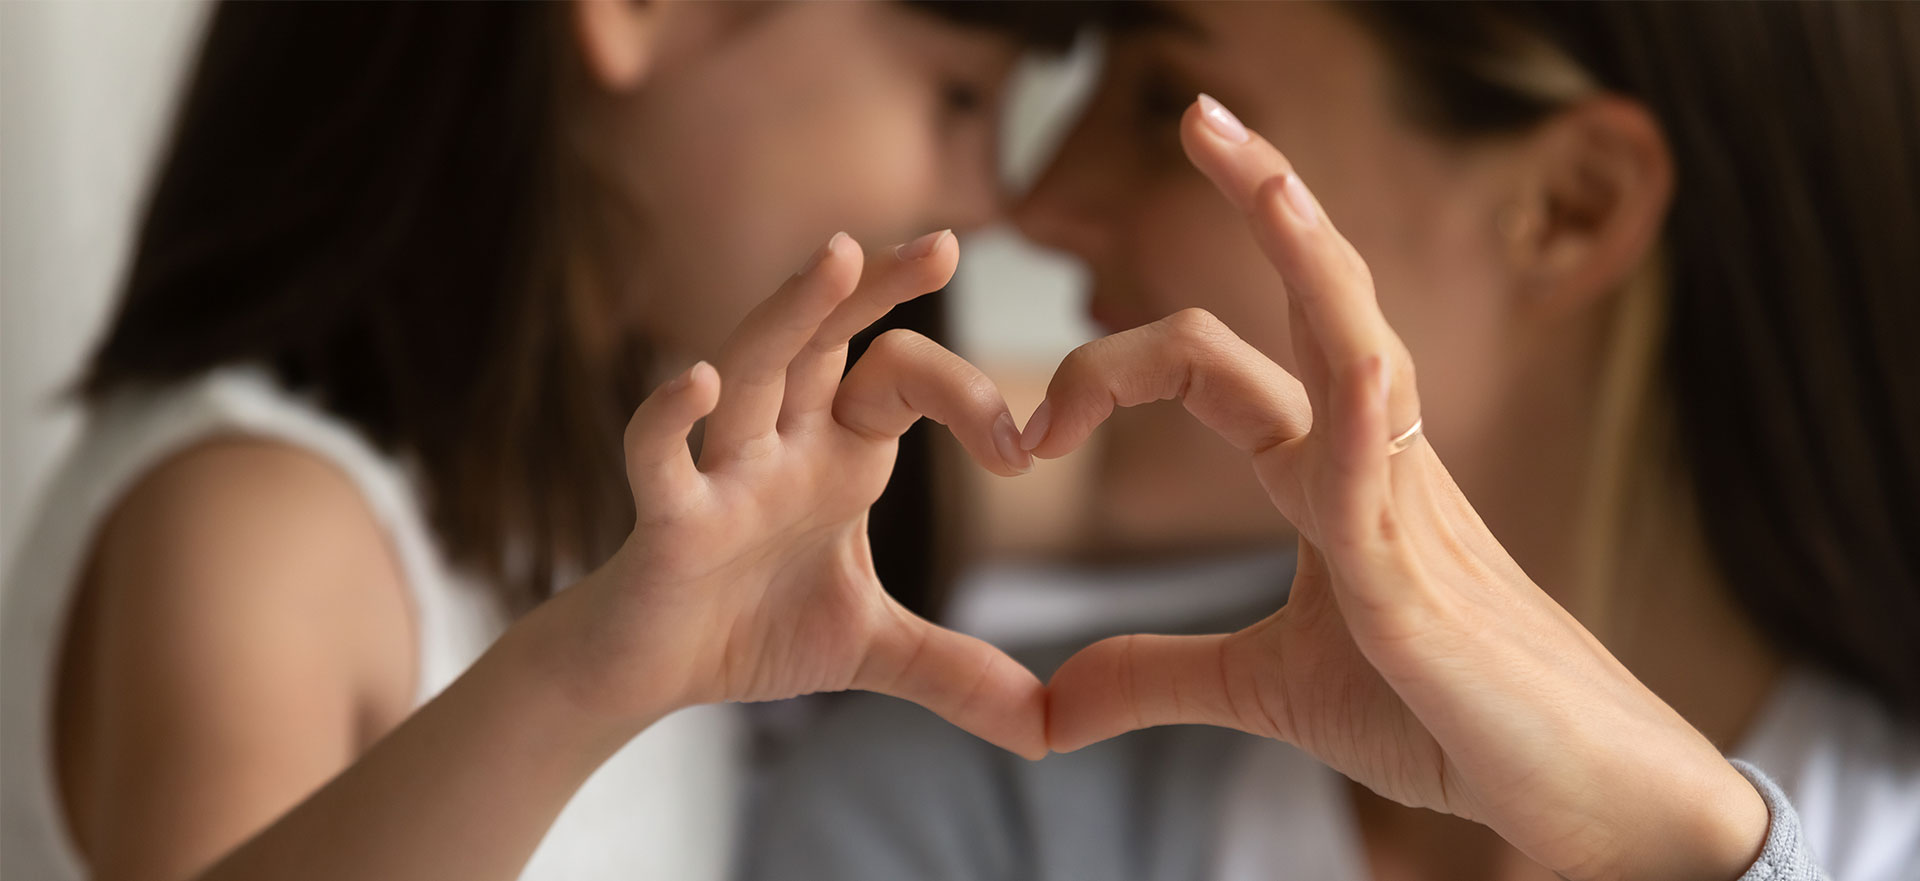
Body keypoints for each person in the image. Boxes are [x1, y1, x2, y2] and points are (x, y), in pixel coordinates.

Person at [747, 3, 1920, 880]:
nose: (1035, 198)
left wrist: (1688, 853)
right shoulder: (968, 807)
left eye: (1165, 100)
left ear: (1572, 208)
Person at [0, 2, 1086, 879]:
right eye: (959, 96)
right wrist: (575, 685)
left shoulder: (644, 449)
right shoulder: (259, 535)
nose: (991, 198)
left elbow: (1103, 462)